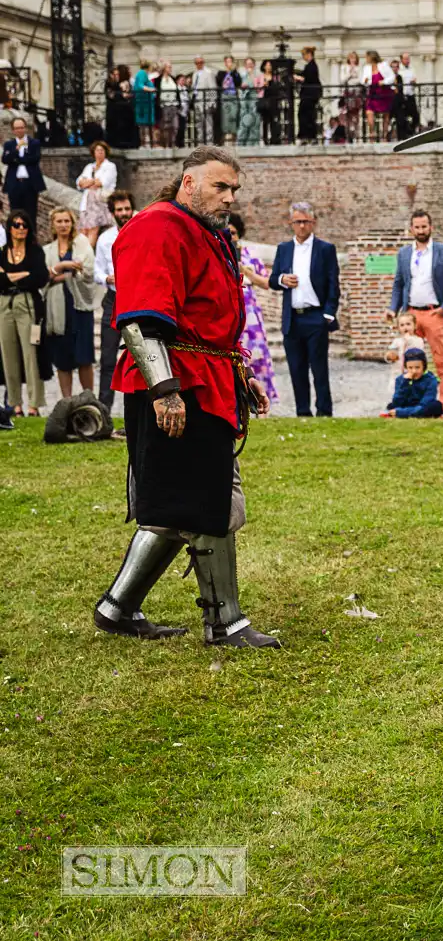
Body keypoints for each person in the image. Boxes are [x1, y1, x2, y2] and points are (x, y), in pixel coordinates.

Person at [95, 145, 278, 648]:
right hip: (178, 384)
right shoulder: (159, 225)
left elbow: (211, 318)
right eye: (220, 186)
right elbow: (140, 319)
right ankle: (225, 623)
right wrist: (166, 391)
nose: (229, 197)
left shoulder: (204, 232)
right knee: (203, 501)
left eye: (235, 189)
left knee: (177, 503)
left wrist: (240, 372)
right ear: (189, 182)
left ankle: (118, 608)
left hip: (207, 376)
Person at [268, 201, 340, 417]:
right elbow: (272, 280)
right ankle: (302, 412)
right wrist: (282, 279)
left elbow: (333, 285)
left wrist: (327, 315)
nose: (301, 226)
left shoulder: (325, 249)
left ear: (313, 223)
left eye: (306, 222)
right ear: (291, 223)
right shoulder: (284, 249)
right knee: (296, 369)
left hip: (316, 317)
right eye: (298, 222)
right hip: (292, 318)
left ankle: (324, 412)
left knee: (319, 369)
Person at [387, 210, 443, 417]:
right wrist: (393, 308)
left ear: (431, 227)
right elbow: (398, 284)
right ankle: (406, 404)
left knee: (441, 362)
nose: (421, 230)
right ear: (411, 229)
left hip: (434, 313)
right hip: (410, 314)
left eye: (424, 226)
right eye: (417, 227)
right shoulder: (404, 254)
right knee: (407, 360)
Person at [42, 207, 100, 400]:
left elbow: (87, 270)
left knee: (84, 357)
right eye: (59, 221)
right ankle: (66, 402)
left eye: (66, 221)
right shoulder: (47, 250)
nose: (63, 225)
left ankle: (89, 399)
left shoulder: (81, 244)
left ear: (72, 223)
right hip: (57, 311)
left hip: (79, 308)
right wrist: (63, 267)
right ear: (53, 224)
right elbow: (42, 277)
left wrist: (57, 273)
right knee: (62, 358)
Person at [226, 212, 278, 407]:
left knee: (256, 354)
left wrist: (244, 270)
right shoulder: (219, 253)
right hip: (229, 308)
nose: (231, 236)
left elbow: (265, 282)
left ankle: (260, 400)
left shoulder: (249, 255)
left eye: (234, 233)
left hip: (249, 311)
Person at [0, 210, 48, 414]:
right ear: (9, 228)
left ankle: (34, 404)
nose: (20, 229)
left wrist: (8, 276)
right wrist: (22, 274)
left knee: (31, 353)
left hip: (26, 303)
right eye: (16, 225)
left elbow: (40, 278)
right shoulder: (2, 252)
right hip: (4, 304)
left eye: (24, 225)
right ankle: (15, 403)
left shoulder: (35, 252)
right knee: (8, 354)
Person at [95, 190, 136, 415]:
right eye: (119, 210)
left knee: (138, 357)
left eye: (126, 208)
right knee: (108, 358)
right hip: (113, 299)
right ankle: (103, 410)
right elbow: (96, 271)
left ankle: (138, 409)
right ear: (113, 213)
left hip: (136, 299)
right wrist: (105, 278)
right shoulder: (104, 239)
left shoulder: (142, 231)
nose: (123, 213)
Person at [2, 116, 44, 223]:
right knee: (15, 213)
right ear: (13, 130)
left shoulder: (34, 143)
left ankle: (32, 238)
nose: (19, 130)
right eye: (17, 128)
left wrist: (17, 160)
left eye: (21, 127)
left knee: (31, 214)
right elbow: (5, 160)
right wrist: (16, 150)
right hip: (15, 183)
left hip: (30, 183)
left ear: (25, 128)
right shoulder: (9, 144)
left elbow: (35, 159)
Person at [76, 140, 118, 247]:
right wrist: (90, 182)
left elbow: (102, 183)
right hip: (87, 203)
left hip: (100, 202)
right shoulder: (89, 167)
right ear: (93, 152)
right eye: (97, 150)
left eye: (102, 150)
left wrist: (87, 182)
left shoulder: (110, 166)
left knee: (92, 229)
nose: (99, 152)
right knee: (83, 230)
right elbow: (79, 182)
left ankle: (88, 255)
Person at [380, 347, 442, 418]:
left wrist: (401, 412)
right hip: (407, 405)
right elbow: (397, 402)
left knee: (436, 406)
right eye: (410, 368)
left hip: (422, 406)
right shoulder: (400, 379)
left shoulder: (431, 380)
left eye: (417, 367)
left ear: (424, 367)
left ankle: (403, 414)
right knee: (391, 405)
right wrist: (405, 383)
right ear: (406, 367)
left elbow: (426, 402)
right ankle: (416, 414)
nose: (414, 371)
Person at [362, 51, 395, 143]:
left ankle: (384, 135)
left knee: (385, 114)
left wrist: (383, 82)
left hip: (384, 91)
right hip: (373, 92)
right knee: (369, 112)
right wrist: (365, 81)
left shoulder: (383, 65)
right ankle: (372, 133)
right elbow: (363, 80)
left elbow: (391, 77)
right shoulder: (367, 68)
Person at [384, 312, 426, 378]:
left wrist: (408, 339)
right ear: (399, 328)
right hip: (397, 374)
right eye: (402, 325)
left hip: (413, 373)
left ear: (415, 326)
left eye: (408, 324)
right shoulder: (397, 341)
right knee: (395, 386)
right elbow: (390, 353)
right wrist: (389, 357)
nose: (405, 327)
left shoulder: (418, 340)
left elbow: (419, 353)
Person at [294, 47, 321, 145]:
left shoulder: (312, 66)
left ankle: (307, 136)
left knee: (305, 115)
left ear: (309, 54)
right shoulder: (311, 65)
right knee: (307, 115)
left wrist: (299, 78)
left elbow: (308, 78)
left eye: (304, 55)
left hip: (309, 95)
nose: (303, 57)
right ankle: (308, 136)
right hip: (310, 95)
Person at [189, 57, 218, 146]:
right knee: (198, 124)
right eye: (197, 62)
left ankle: (209, 143)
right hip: (197, 101)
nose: (199, 64)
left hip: (206, 102)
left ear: (203, 62)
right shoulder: (195, 74)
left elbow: (213, 88)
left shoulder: (208, 73)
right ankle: (200, 143)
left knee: (208, 123)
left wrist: (212, 102)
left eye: (201, 62)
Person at [236, 58, 262, 147]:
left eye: (251, 64)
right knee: (244, 122)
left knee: (254, 122)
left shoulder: (258, 75)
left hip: (254, 99)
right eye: (247, 64)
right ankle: (241, 144)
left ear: (254, 65)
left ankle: (253, 144)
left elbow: (260, 87)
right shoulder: (242, 75)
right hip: (244, 101)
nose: (249, 65)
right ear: (245, 65)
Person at [131, 61, 157, 149]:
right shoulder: (142, 73)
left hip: (147, 103)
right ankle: (145, 144)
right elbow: (140, 86)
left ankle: (149, 143)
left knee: (147, 125)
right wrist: (151, 89)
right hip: (143, 103)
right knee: (143, 125)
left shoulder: (144, 74)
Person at [338, 51, 364, 141]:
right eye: (351, 57)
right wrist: (350, 74)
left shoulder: (359, 68)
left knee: (356, 114)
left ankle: (357, 135)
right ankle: (348, 134)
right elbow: (342, 80)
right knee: (346, 114)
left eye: (354, 58)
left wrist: (354, 77)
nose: (353, 59)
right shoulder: (344, 67)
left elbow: (360, 80)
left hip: (356, 92)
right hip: (347, 93)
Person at [216, 56, 241, 144]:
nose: (229, 63)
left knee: (233, 115)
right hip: (225, 96)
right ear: (225, 63)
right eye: (228, 61)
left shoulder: (235, 73)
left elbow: (238, 82)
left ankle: (233, 134)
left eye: (231, 61)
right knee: (226, 116)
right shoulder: (221, 73)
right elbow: (218, 82)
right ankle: (226, 135)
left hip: (233, 96)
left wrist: (234, 72)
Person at [157, 62, 180, 149]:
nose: (170, 69)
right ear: (164, 68)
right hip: (164, 105)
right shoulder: (159, 80)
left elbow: (177, 92)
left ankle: (173, 143)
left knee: (175, 125)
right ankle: (166, 144)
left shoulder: (173, 79)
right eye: (169, 67)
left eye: (171, 67)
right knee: (166, 126)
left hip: (173, 104)